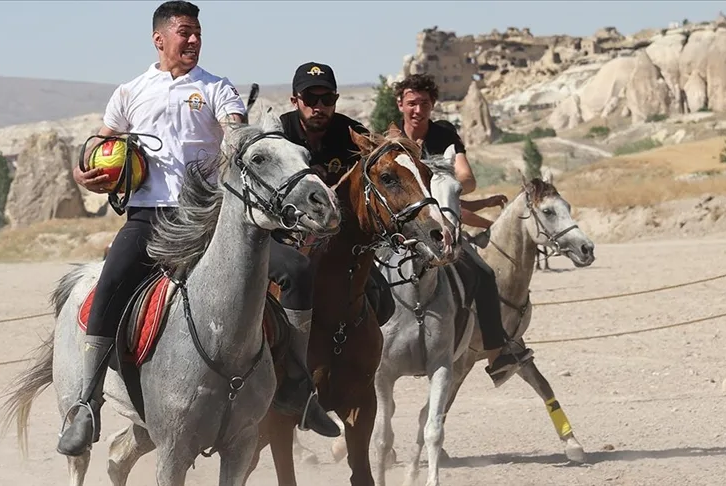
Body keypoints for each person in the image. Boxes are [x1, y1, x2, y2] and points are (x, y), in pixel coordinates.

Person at [58, 1, 328, 456]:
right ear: (159, 38)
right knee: (107, 287)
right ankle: (87, 403)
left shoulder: (217, 88)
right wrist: (84, 172)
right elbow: (101, 144)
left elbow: (235, 132)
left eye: (198, 32)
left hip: (212, 218)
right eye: (185, 32)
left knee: (296, 271)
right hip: (150, 216)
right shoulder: (130, 92)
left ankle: (297, 386)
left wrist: (241, 138)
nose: (194, 40)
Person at [267, 62, 395, 434]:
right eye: (310, 98)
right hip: (285, 239)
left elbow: (380, 166)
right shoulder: (280, 134)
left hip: (339, 246)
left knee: (381, 299)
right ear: (296, 100)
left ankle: (352, 376)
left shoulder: (350, 133)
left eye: (327, 98)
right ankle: (274, 377)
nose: (319, 106)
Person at [392, 73, 534, 387]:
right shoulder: (391, 138)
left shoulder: (443, 133)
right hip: (404, 228)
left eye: (425, 103)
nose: (418, 110)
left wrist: (441, 180)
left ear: (433, 105)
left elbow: (466, 181)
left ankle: (497, 355)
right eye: (412, 103)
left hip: (442, 223)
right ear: (400, 104)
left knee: (482, 274)